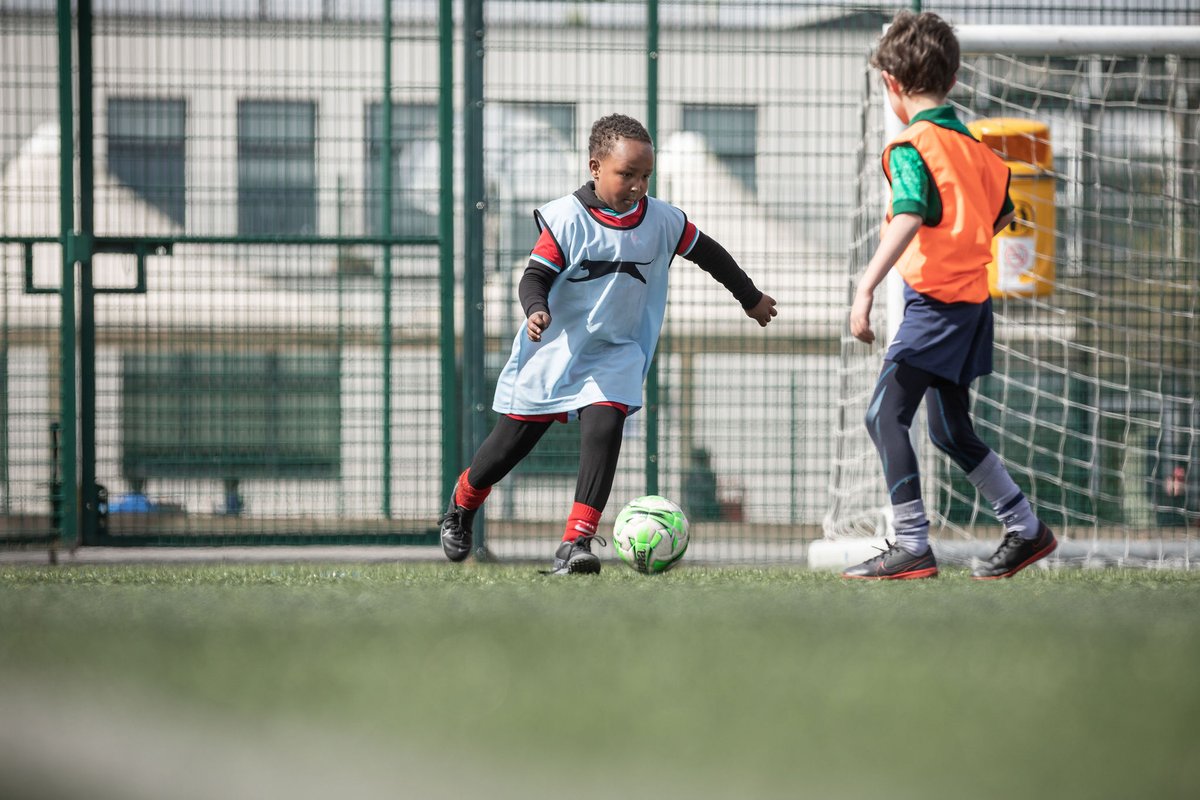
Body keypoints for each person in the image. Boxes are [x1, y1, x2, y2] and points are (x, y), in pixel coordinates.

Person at [440, 113, 777, 574]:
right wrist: (535, 309)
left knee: (605, 425)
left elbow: (710, 254)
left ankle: (575, 542)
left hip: (616, 352)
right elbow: (534, 275)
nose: (638, 185)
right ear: (595, 167)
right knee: (507, 448)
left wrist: (749, 296)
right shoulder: (567, 219)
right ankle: (462, 504)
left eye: (646, 176)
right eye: (627, 174)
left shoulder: (663, 220)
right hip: (556, 350)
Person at [842, 11, 1057, 580]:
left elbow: (911, 211)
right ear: (953, 80)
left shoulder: (913, 146)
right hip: (972, 306)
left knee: (883, 415)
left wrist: (865, 287)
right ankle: (1026, 528)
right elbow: (1001, 215)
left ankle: (912, 543)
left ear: (890, 82)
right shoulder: (983, 153)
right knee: (949, 430)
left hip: (937, 306)